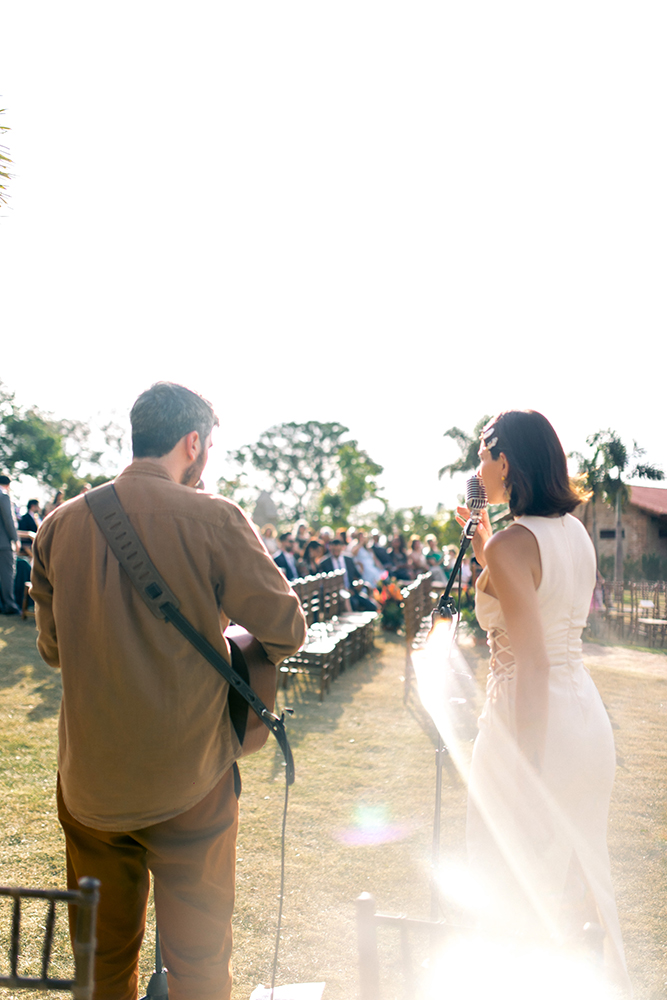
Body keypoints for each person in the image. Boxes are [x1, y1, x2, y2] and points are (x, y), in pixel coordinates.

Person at [31, 382, 306, 1000]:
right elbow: (286, 628)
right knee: (199, 968)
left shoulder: (58, 526)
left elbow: (52, 651)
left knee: (100, 967)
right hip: (190, 780)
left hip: (92, 786)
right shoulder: (214, 518)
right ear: (193, 444)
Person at [457, 410, 630, 995]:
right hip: (582, 716)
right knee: (577, 881)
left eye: (483, 457)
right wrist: (487, 547)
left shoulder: (513, 544)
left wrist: (527, 772)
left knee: (507, 882)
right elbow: (543, 604)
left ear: (505, 462)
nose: (479, 469)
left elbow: (529, 660)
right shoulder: (573, 532)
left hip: (528, 723)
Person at [0, 475, 20, 615]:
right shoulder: (4, 496)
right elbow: (8, 519)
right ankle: (10, 605)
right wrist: (15, 539)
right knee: (7, 575)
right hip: (3, 543)